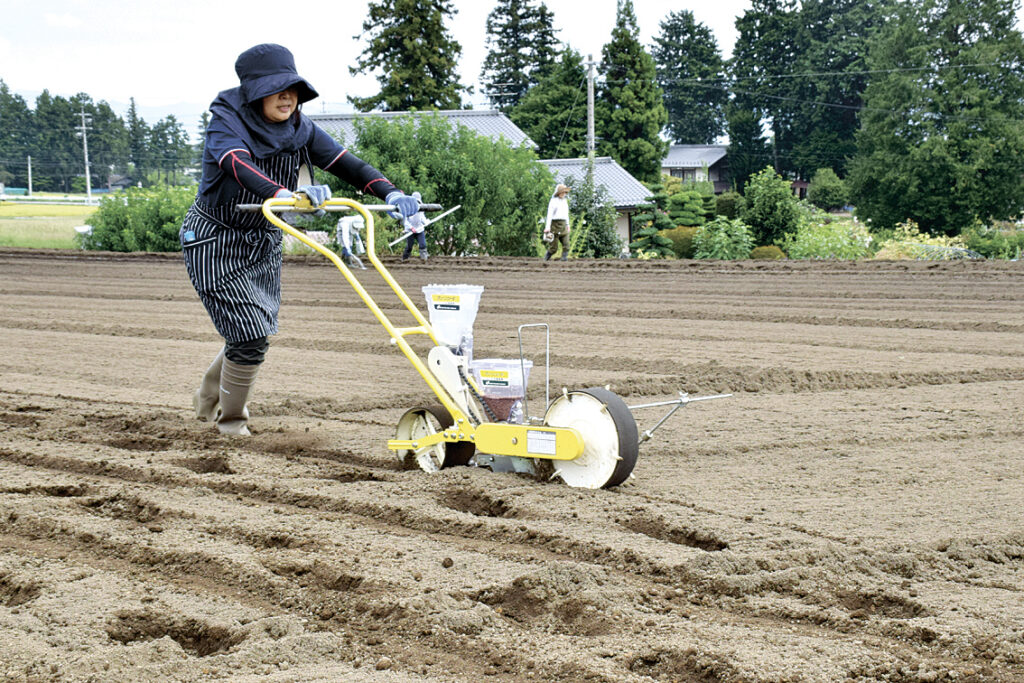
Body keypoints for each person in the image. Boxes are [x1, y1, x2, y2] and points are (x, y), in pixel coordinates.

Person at [180, 43, 420, 435]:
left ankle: (207, 401)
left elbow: (348, 165)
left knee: (253, 330)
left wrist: (391, 193)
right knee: (249, 335)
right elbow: (237, 164)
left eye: (292, 88)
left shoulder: (299, 128)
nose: (287, 97)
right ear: (254, 92)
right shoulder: (226, 121)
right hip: (215, 238)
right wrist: (283, 194)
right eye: (276, 89)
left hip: (262, 238)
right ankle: (231, 424)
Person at [543, 184, 571, 261]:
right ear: (558, 192)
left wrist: (568, 225)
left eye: (565, 192)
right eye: (562, 192)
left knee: (566, 244)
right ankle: (545, 259)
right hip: (554, 225)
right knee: (553, 248)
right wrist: (547, 227)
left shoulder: (565, 201)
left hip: (563, 225)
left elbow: (566, 214)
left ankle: (564, 259)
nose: (564, 194)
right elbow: (549, 215)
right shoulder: (553, 201)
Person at [401, 192, 428, 261]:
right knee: (409, 246)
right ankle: (405, 259)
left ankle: (424, 259)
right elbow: (405, 221)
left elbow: (422, 217)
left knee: (423, 245)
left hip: (419, 229)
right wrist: (411, 228)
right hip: (410, 230)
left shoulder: (421, 207)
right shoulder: (407, 208)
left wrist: (426, 222)